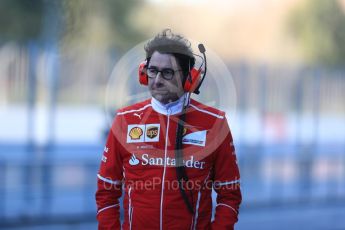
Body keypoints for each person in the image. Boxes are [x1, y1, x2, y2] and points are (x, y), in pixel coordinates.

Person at [95, 29, 242, 230]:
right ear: (143, 72)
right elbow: (106, 192)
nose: (156, 79)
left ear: (189, 78)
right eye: (152, 70)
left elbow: (229, 194)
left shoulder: (214, 123)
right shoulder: (125, 120)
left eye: (167, 72)